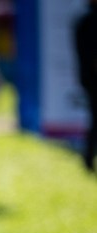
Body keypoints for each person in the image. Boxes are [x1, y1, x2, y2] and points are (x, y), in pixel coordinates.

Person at [75, 0, 97, 173]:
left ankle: (88, 157)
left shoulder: (83, 22)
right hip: (92, 80)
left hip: (89, 80)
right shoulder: (87, 23)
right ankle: (88, 158)